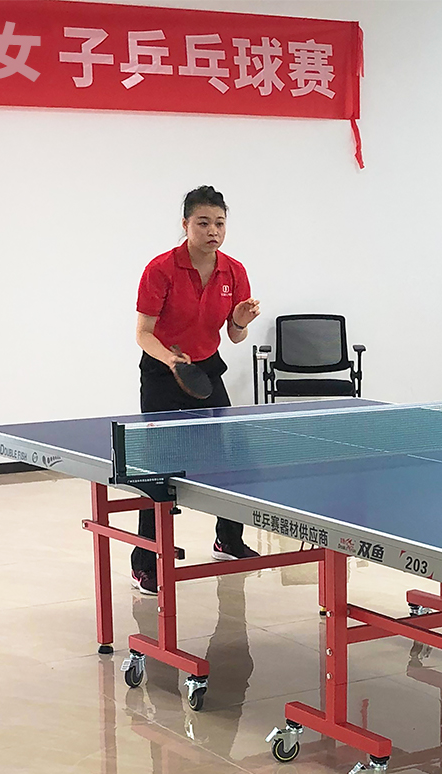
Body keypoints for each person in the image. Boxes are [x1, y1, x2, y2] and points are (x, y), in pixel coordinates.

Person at [130, 186, 261, 594]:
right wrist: (172, 362)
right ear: (186, 224)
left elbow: (235, 337)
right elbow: (143, 333)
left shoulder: (234, 271)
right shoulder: (161, 269)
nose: (213, 231)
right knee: (158, 468)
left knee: (229, 456)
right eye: (203, 223)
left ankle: (228, 540)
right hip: (163, 370)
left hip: (205, 370)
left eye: (219, 223)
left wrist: (239, 322)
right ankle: (146, 561)